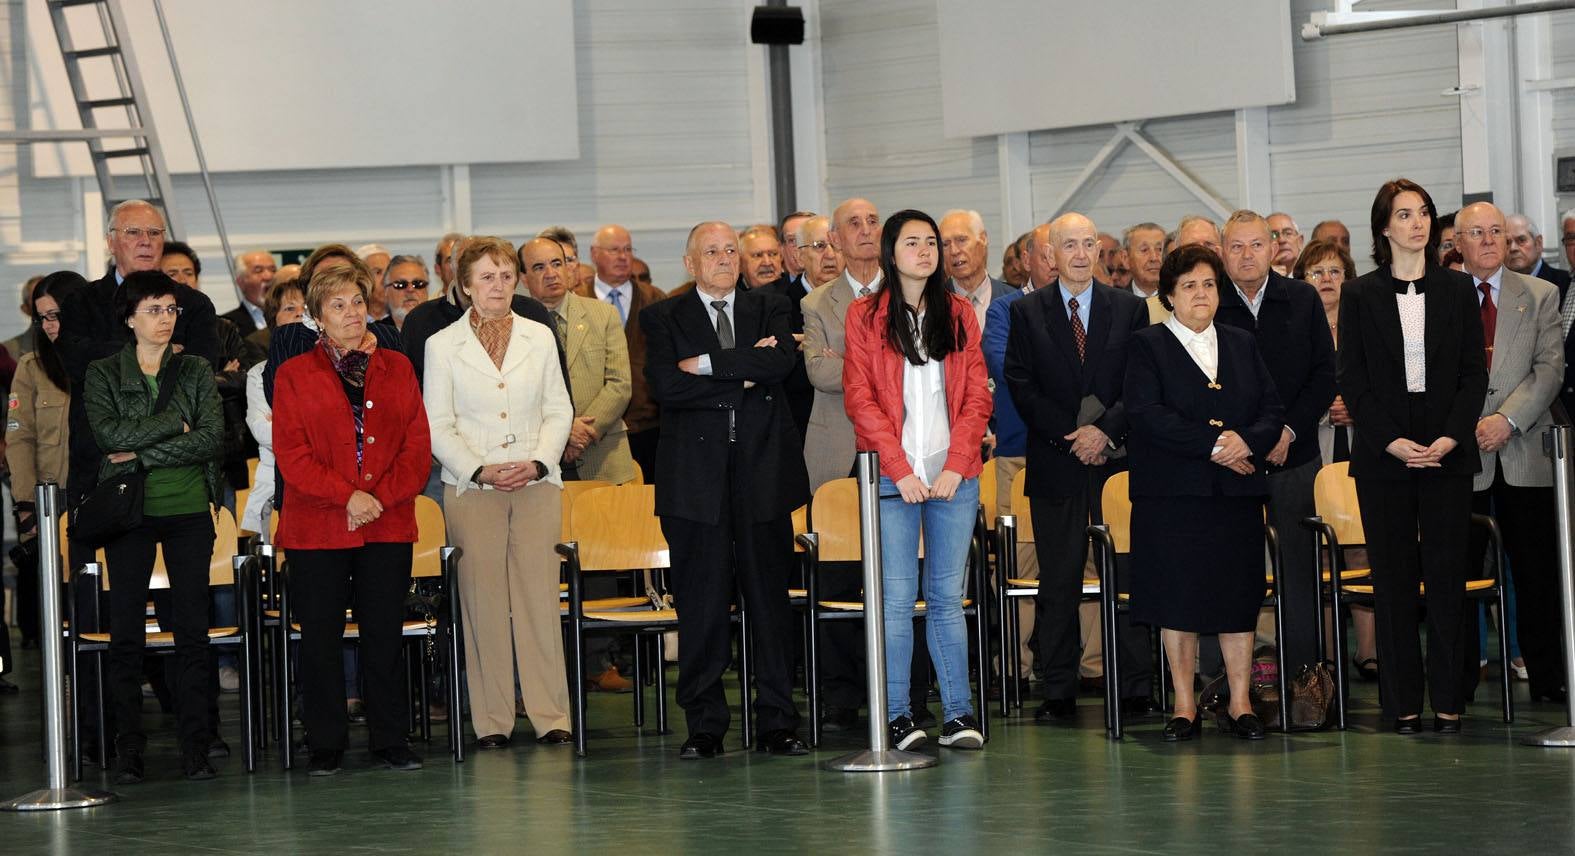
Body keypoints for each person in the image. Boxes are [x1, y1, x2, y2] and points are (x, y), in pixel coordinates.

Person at [640, 220, 810, 759]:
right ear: (690, 264)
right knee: (702, 605)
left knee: (769, 604)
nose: (723, 259)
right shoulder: (662, 316)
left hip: (763, 475)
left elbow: (781, 362)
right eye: (710, 252)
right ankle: (706, 725)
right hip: (695, 484)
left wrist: (711, 368)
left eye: (730, 250)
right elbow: (666, 386)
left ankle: (778, 721)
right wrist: (743, 378)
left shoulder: (771, 306)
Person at [1338, 178, 1487, 735]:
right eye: (1404, 215)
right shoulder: (1360, 295)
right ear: (1384, 227)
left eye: (1423, 212)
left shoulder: (1456, 289)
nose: (1418, 223)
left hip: (1447, 453)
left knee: (1447, 581)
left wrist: (1450, 437)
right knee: (1394, 584)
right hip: (1385, 457)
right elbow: (1352, 379)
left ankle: (1448, 700)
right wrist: (1391, 441)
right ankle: (1401, 704)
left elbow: (1474, 374)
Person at [272, 261, 431, 775]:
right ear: (317, 318)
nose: (351, 313)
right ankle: (325, 742)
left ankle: (391, 738)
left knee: (383, 632)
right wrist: (348, 497)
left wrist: (377, 498)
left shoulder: (398, 367)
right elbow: (291, 455)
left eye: (358, 303)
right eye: (337, 305)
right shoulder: (293, 374)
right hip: (317, 525)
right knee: (319, 637)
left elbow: (416, 446)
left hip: (386, 521)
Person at [843, 209, 990, 750]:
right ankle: (898, 715)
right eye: (914, 243)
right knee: (897, 600)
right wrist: (900, 471)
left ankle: (958, 715)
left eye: (932, 242)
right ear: (891, 252)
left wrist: (956, 463)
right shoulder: (864, 316)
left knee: (948, 599)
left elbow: (977, 396)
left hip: (955, 475)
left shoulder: (959, 315)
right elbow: (860, 399)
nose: (927, 251)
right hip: (890, 478)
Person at [1126, 244, 1285, 741]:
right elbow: (1146, 415)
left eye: (1209, 284)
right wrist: (1217, 444)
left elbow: (1270, 408)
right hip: (1173, 497)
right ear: (1169, 295)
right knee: (1180, 598)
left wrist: (1247, 440)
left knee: (1237, 597)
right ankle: (1184, 704)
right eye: (1189, 285)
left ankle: (1241, 703)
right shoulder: (1146, 345)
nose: (1201, 293)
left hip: (1236, 494)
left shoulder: (1241, 342)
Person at [425, 236, 575, 747]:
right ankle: (491, 721)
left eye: (506, 275)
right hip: (473, 489)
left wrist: (539, 460)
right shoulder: (441, 345)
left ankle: (552, 715)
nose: (498, 285)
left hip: (537, 483)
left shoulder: (540, 333)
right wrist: (480, 470)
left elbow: (559, 408)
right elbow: (438, 425)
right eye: (486, 277)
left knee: (538, 599)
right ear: (465, 285)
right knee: (481, 602)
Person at [1004, 212, 1153, 722]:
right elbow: (1021, 385)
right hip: (1057, 461)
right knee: (1059, 581)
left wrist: (1104, 431)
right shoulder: (1026, 313)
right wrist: (1072, 437)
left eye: (1089, 243)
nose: (1082, 254)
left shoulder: (1129, 309)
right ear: (1050, 254)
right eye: (1070, 245)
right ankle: (1059, 690)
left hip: (1116, 464)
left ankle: (1135, 685)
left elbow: (1138, 382)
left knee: (1129, 574)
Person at [83, 270, 226, 781]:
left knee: (191, 633)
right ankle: (129, 746)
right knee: (126, 635)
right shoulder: (103, 373)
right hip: (129, 516)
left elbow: (211, 438)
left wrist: (139, 456)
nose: (165, 319)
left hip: (189, 511)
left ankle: (196, 745)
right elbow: (107, 434)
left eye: (170, 309)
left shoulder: (194, 371)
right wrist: (172, 425)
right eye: (153, 310)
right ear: (129, 317)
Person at [1216, 210, 1336, 677]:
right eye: (1236, 247)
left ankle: (1305, 676)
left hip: (1295, 454)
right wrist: (1244, 442)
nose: (1247, 255)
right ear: (1222, 253)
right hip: (1232, 461)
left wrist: (1285, 433)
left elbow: (1324, 376)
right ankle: (1228, 681)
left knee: (1299, 571)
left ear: (1273, 249)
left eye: (1256, 245)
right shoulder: (1208, 304)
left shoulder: (1302, 298)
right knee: (1231, 570)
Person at [1454, 202, 1566, 704]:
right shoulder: (1441, 298)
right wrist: (1468, 425)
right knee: (1456, 574)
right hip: (1462, 456)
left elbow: (1549, 370)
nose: (1488, 240)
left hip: (1524, 452)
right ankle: (1455, 684)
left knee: (1538, 575)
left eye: (1495, 231)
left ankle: (1549, 679)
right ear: (1458, 242)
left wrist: (1506, 420)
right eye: (1475, 232)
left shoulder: (1541, 295)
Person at [58, 200, 221, 508]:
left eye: (154, 232)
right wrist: (153, 352)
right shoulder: (82, 301)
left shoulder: (194, 304)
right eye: (133, 232)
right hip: (102, 463)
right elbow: (75, 362)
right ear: (110, 242)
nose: (146, 241)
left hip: (178, 466)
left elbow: (201, 375)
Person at [1293, 238, 1379, 675]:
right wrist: (1326, 409)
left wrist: (1357, 406)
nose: (1326, 280)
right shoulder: (1297, 326)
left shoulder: (1367, 321)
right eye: (1316, 272)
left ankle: (1368, 653)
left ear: (1348, 278)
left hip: (1364, 444)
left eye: (1334, 272)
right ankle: (1328, 657)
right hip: (1318, 447)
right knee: (1322, 554)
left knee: (1362, 550)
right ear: (1302, 281)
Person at [5, 271, 84, 653]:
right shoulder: (31, 366)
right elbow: (20, 440)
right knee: (58, 608)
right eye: (43, 318)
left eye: (58, 314)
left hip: (105, 499)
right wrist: (25, 505)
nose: (51, 326)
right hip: (51, 503)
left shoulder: (112, 358)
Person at [520, 237, 635, 485]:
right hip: (542, 460)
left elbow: (620, 384)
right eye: (539, 267)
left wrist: (583, 432)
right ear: (523, 278)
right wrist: (563, 432)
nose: (551, 274)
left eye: (556, 263)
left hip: (603, 455)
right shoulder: (515, 326)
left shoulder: (604, 314)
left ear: (569, 267)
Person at [576, 224, 664, 480]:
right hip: (597, 429)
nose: (623, 256)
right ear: (594, 254)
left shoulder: (654, 299)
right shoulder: (577, 301)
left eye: (628, 249)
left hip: (648, 424)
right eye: (614, 250)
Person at [939, 209, 1012, 333]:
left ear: (983, 239)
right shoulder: (932, 303)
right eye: (945, 244)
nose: (954, 251)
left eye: (961, 240)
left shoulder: (1013, 300)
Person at [1506, 214, 1571, 292]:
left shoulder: (1567, 284)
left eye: (1521, 240)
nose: (1513, 248)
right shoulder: (1495, 288)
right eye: (1507, 242)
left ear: (1538, 243)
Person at [222, 250, 278, 333]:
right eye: (258, 270)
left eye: (273, 270)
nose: (269, 276)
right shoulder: (225, 325)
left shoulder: (295, 316)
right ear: (241, 282)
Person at [1267, 212, 1305, 277]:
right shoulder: (1259, 280)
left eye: (1288, 233)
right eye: (1273, 235)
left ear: (1300, 242)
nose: (1282, 240)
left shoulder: (1311, 275)